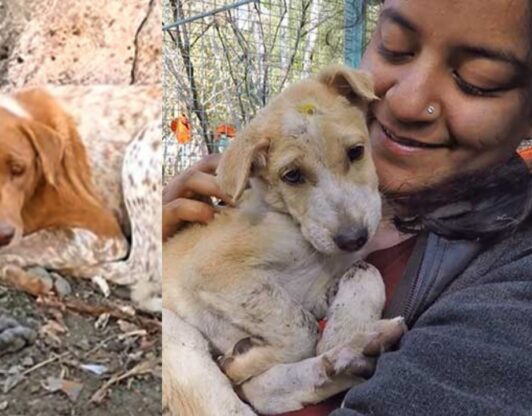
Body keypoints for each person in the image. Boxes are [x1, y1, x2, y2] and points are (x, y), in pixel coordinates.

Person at [162, 0, 532, 414]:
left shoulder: (513, 288)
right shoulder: (271, 208)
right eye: (394, 48)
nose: (409, 103)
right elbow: (209, 274)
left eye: (478, 80)